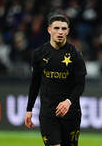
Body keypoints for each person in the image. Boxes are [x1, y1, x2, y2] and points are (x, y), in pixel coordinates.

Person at [24, 13, 87, 146]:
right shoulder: (39, 54)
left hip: (71, 113)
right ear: (49, 30)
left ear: (68, 31)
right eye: (56, 28)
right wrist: (29, 109)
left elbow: (80, 85)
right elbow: (35, 83)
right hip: (48, 113)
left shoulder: (76, 55)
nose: (60, 32)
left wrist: (68, 102)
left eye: (64, 29)